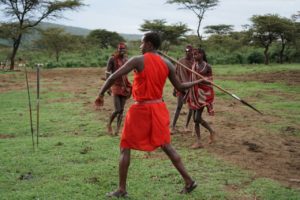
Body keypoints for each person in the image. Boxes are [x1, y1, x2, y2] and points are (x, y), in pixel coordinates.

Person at [95, 32, 202, 198]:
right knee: (166, 145)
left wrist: (100, 94)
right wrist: (198, 81)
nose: (140, 46)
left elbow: (113, 77)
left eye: (142, 43)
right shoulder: (167, 63)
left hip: (141, 109)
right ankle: (189, 181)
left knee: (125, 147)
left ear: (150, 44)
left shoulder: (138, 60)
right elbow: (181, 87)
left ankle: (121, 189)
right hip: (159, 108)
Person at [186, 48, 216, 149]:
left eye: (196, 54)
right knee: (196, 119)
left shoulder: (208, 67)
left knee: (196, 118)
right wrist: (187, 94)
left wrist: (202, 80)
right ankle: (199, 141)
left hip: (204, 94)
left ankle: (210, 131)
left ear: (202, 54)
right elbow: (191, 80)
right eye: (193, 55)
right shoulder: (193, 66)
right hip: (194, 94)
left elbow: (210, 81)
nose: (194, 56)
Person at [105, 42, 132, 136]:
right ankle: (109, 124)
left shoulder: (126, 60)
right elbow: (108, 72)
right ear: (118, 49)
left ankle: (117, 130)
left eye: (124, 49)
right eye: (120, 49)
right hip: (115, 85)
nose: (122, 51)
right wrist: (107, 87)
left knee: (122, 110)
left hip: (124, 86)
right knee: (117, 109)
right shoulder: (112, 59)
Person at [171, 45, 194, 133]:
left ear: (192, 52)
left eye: (190, 52)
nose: (188, 53)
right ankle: (173, 127)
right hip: (180, 86)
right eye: (186, 51)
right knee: (179, 106)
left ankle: (186, 126)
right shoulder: (180, 61)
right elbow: (175, 74)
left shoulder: (194, 63)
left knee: (191, 107)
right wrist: (174, 87)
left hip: (191, 87)